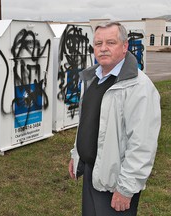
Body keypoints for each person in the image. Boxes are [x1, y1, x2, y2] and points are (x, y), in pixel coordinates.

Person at [68, 21, 161, 215]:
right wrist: (76, 154)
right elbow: (88, 123)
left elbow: (142, 144)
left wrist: (126, 188)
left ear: (125, 46)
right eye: (98, 43)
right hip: (93, 175)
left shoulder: (139, 87)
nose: (102, 49)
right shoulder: (94, 78)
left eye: (110, 42)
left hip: (115, 185)